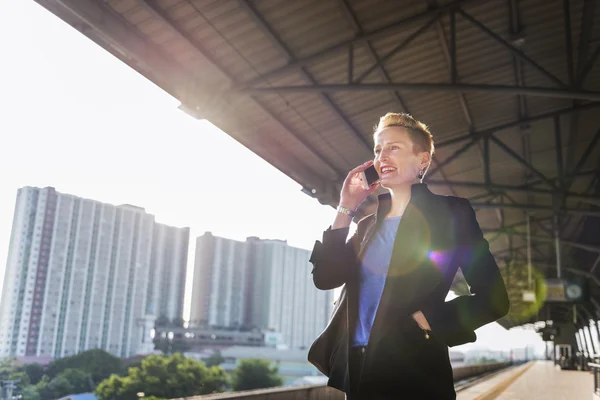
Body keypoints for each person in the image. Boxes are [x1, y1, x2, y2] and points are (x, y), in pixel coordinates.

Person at [308, 113, 510, 399]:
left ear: (423, 160)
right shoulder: (366, 226)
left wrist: (429, 319)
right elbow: (325, 278)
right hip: (357, 374)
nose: (382, 157)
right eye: (378, 150)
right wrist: (346, 207)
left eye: (394, 147)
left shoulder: (452, 214)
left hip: (416, 374)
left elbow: (495, 299)